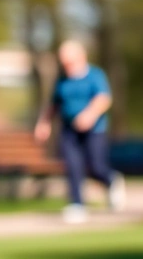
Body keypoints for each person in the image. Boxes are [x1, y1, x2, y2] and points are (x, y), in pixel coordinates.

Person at [33, 39, 123, 223]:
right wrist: (44, 123)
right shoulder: (62, 80)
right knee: (73, 165)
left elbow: (104, 98)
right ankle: (77, 205)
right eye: (64, 62)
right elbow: (54, 104)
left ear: (81, 57)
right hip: (68, 128)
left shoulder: (94, 75)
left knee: (96, 166)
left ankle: (111, 180)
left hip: (94, 129)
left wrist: (89, 114)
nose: (67, 66)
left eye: (70, 61)